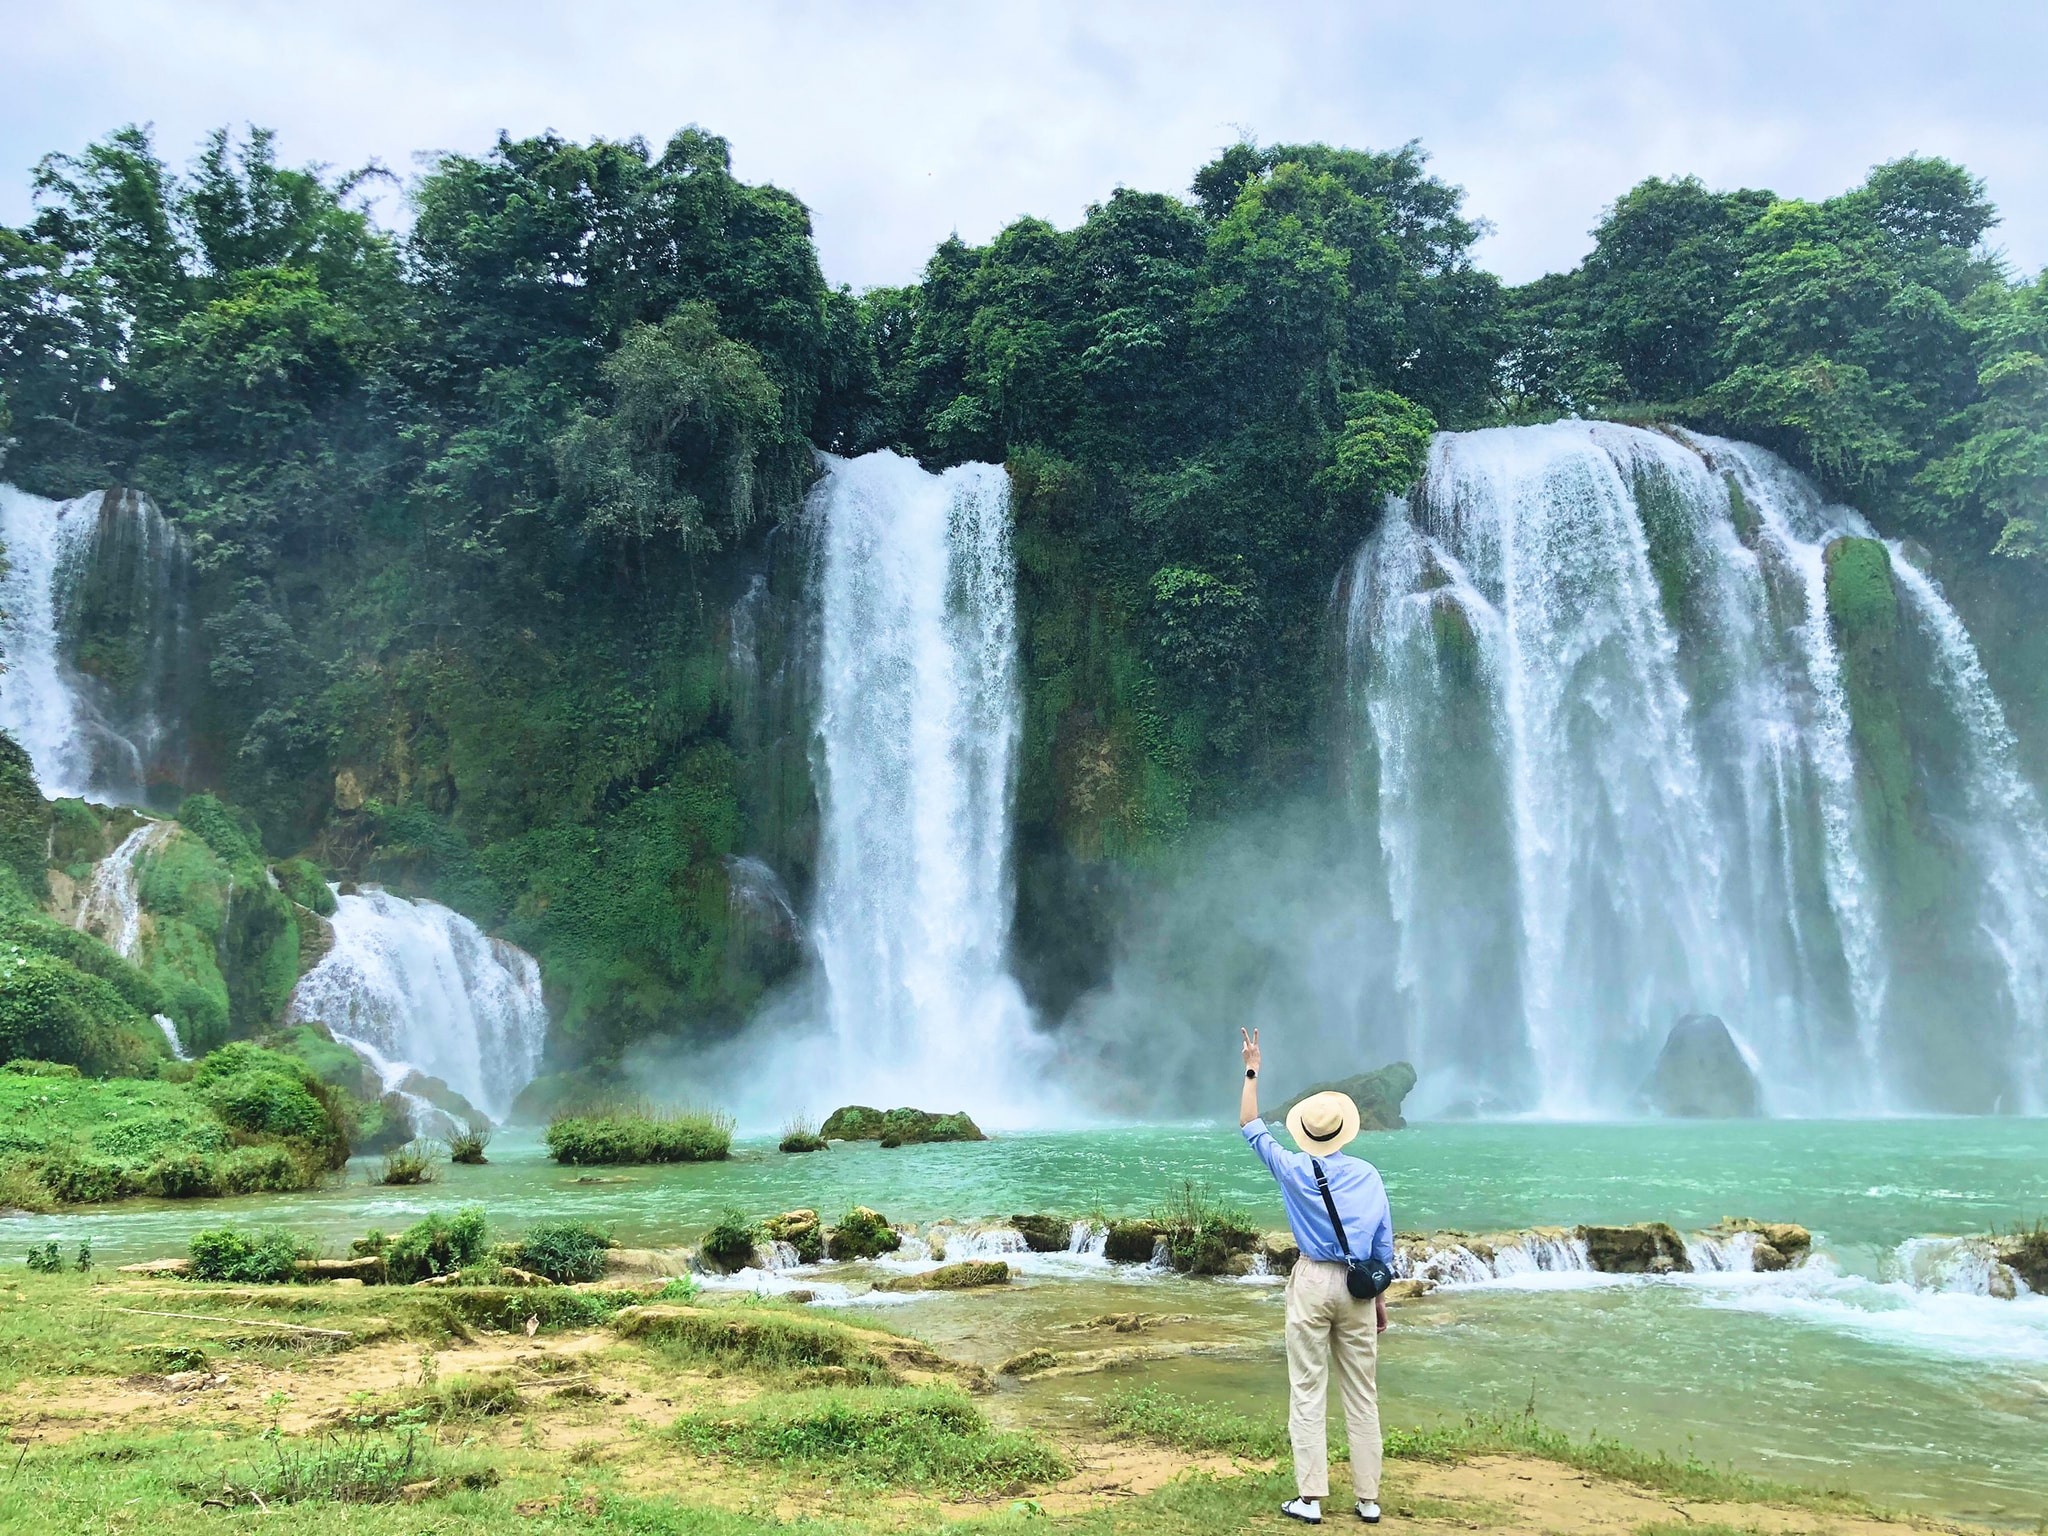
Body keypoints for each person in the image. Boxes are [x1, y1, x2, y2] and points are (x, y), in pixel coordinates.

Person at [1240, 1026, 1393, 1525]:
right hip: (1358, 1286)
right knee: (1362, 1393)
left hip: (1311, 1281)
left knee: (1307, 1388)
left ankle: (1309, 1500)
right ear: (1346, 1131)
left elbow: (1250, 1125)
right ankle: (1368, 1500)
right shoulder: (1368, 1175)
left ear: (1306, 1133)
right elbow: (1382, 1247)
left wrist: (1252, 1070)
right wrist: (1379, 1299)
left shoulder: (1291, 1169)